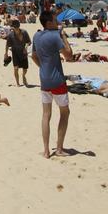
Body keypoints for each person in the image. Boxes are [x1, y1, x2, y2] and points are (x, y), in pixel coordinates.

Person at [33, 10, 74, 158]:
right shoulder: (55, 35)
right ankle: (59, 148)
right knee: (65, 113)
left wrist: (43, 67)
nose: (57, 21)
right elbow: (69, 55)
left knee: (46, 115)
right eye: (55, 19)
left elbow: (34, 56)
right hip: (57, 80)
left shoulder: (36, 35)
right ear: (49, 22)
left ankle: (45, 150)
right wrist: (63, 35)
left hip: (44, 80)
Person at [4, 19, 31, 87]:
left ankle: (23, 76)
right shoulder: (10, 35)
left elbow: (29, 42)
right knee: (16, 68)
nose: (15, 28)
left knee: (25, 68)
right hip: (15, 53)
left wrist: (26, 47)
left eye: (16, 27)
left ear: (18, 26)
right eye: (14, 27)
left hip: (23, 53)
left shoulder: (24, 32)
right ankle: (17, 83)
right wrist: (6, 53)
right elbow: (7, 45)